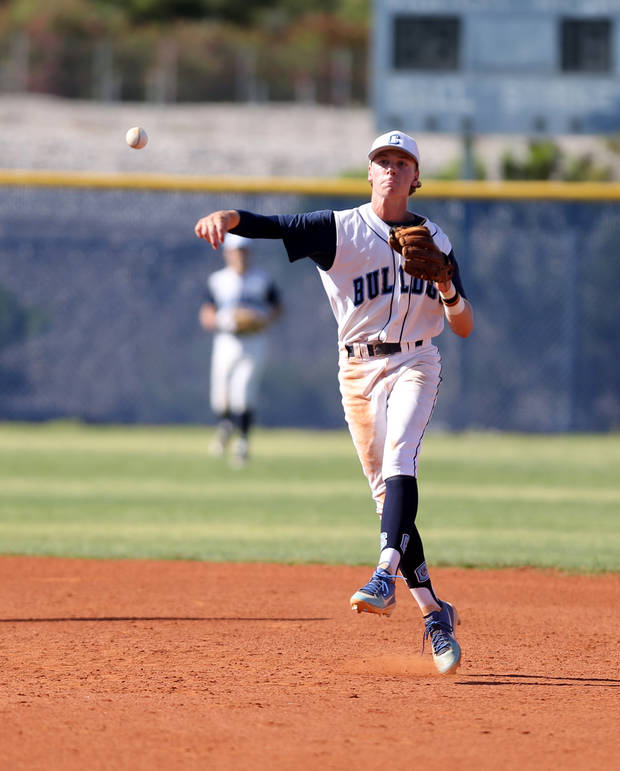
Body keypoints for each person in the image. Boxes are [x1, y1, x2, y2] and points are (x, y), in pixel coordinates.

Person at [193, 131, 474, 675]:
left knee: (400, 459)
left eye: (401, 162)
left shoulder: (435, 239)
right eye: (382, 161)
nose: (391, 169)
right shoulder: (340, 229)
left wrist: (446, 284)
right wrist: (228, 216)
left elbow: (462, 325)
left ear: (416, 177)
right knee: (383, 496)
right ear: (369, 173)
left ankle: (384, 572)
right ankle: (435, 613)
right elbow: (273, 227)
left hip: (417, 360)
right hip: (357, 369)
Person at [199, 232, 283, 468]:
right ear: (227, 253)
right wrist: (227, 321)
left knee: (243, 392)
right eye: (236, 251)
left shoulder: (261, 279)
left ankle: (243, 442)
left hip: (253, 341)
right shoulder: (218, 280)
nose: (241, 256)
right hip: (226, 341)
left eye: (244, 251)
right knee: (220, 396)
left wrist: (260, 319)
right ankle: (225, 426)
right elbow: (206, 314)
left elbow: (277, 308)